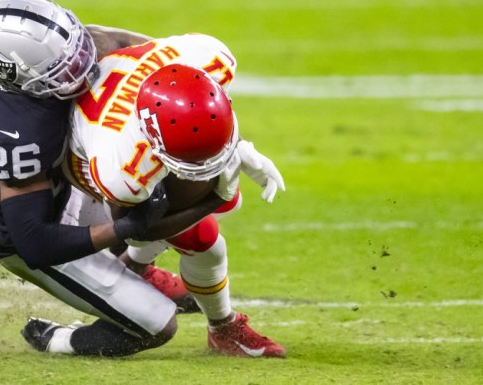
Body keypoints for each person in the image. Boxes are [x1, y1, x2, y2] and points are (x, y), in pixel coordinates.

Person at [0, 0, 242, 357]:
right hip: (29, 229)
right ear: (16, 77)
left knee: (164, 203)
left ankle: (135, 269)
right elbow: (33, 241)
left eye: (77, 50)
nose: (83, 68)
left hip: (70, 174)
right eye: (62, 70)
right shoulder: (16, 133)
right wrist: (126, 230)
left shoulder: (61, 48)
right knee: (157, 326)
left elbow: (139, 53)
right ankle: (61, 341)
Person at [24, 34, 286, 358]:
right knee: (203, 239)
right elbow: (135, 230)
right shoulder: (121, 167)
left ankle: (140, 269)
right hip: (76, 166)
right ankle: (222, 326)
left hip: (123, 116)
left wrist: (240, 146)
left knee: (220, 208)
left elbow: (196, 104)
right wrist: (214, 198)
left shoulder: (207, 57)